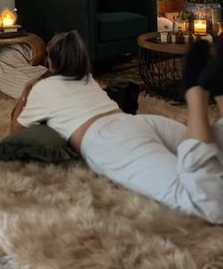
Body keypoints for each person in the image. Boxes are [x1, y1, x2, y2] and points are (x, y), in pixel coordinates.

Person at [11, 30, 223, 224]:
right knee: (214, 150)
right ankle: (221, 94)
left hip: (109, 140)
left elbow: (15, 131)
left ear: (52, 61)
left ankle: (195, 95)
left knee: (209, 203)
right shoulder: (87, 79)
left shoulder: (42, 88)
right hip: (137, 122)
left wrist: (26, 91)